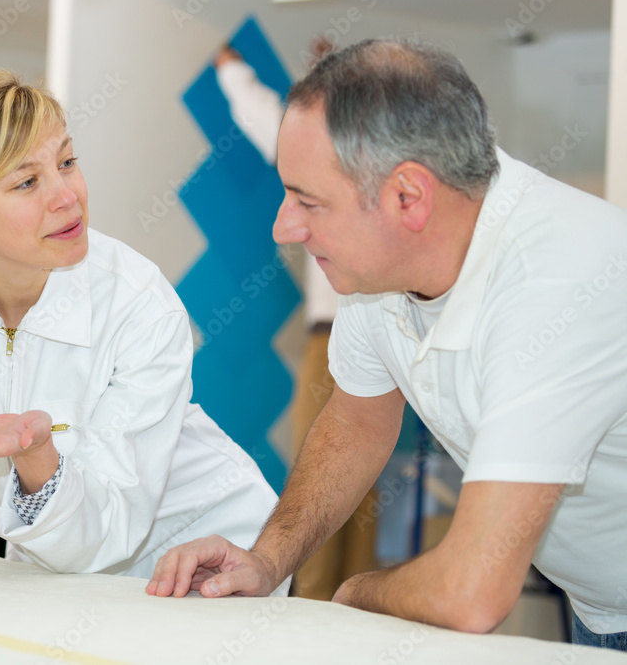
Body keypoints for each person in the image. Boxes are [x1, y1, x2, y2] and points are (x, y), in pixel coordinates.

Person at [147, 38, 627, 650]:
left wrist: (355, 597)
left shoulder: (557, 282)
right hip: (602, 608)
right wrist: (268, 561)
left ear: (409, 197)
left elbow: (470, 593)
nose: (284, 227)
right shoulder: (380, 274)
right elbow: (357, 421)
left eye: (308, 201)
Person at [0, 70, 286, 589]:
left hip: (215, 558)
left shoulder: (137, 300)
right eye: (27, 182)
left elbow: (111, 532)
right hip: (61, 574)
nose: (67, 196)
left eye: (67, 162)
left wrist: (37, 458)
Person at [215, 39, 377, 601]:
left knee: (326, 482)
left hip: (340, 339)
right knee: (357, 489)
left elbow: (266, 119)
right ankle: (344, 608)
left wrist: (230, 68)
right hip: (363, 337)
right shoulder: (370, 153)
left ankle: (316, 608)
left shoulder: (331, 148)